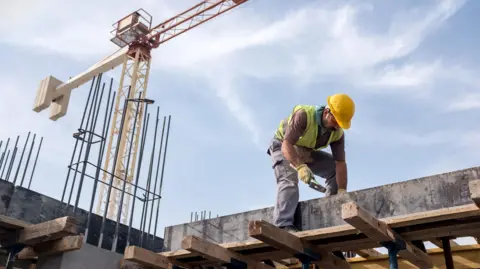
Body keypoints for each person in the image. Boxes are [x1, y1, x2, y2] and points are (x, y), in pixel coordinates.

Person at [267, 93, 355, 232]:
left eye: (340, 124)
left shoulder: (337, 134)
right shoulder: (304, 116)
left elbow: (340, 163)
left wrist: (342, 191)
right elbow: (287, 145)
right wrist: (300, 166)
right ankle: (283, 225)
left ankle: (331, 213)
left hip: (304, 150)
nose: (337, 126)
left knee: (333, 169)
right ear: (327, 112)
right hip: (283, 145)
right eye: (336, 121)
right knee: (289, 180)